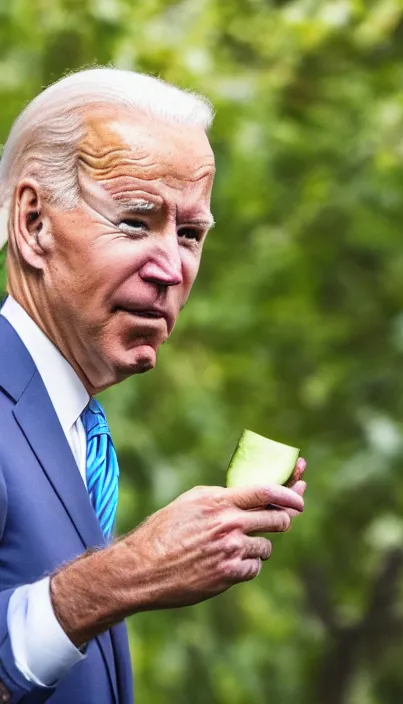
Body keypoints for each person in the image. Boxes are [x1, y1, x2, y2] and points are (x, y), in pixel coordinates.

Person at [0, 67, 307, 704]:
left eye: (190, 234)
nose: (171, 269)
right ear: (33, 224)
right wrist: (127, 574)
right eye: (136, 222)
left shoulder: (75, 432)